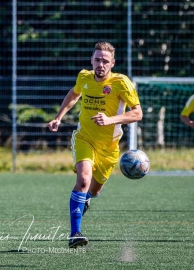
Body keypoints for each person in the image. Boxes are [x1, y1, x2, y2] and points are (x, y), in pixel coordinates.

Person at [48, 42, 143, 248]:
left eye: (105, 61)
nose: (101, 64)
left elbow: (137, 113)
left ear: (113, 63)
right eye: (97, 59)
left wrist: (109, 120)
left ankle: (86, 199)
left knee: (94, 190)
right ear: (92, 60)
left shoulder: (121, 83)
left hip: (109, 148)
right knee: (83, 179)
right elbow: (74, 95)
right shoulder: (84, 77)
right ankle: (75, 234)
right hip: (84, 138)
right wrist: (59, 117)